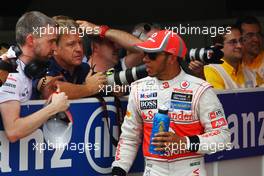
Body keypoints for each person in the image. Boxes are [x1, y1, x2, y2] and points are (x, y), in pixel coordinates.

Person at [112, 30, 230, 176]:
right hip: (153, 170)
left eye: (152, 55)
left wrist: (184, 142)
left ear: (172, 58)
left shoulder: (200, 89)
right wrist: (118, 170)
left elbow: (223, 138)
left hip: (190, 170)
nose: (145, 59)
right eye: (145, 53)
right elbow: (129, 137)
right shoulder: (138, 88)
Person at [0, 11, 69, 142]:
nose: (55, 48)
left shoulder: (29, 68)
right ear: (31, 40)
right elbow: (13, 131)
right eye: (51, 41)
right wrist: (53, 108)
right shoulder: (9, 71)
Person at [33, 16, 107, 99]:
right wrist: (88, 88)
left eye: (80, 43)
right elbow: (51, 90)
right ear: (55, 48)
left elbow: (98, 87)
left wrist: (110, 89)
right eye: (71, 44)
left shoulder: (84, 68)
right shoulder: (43, 67)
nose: (79, 49)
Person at [76, 20, 144, 72]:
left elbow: (142, 48)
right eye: (111, 43)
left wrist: (101, 30)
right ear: (96, 46)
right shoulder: (79, 70)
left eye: (117, 42)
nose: (117, 47)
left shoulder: (119, 67)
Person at [236, 16, 264, 85]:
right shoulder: (234, 66)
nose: (256, 39)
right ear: (239, 38)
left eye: (258, 34)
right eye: (250, 35)